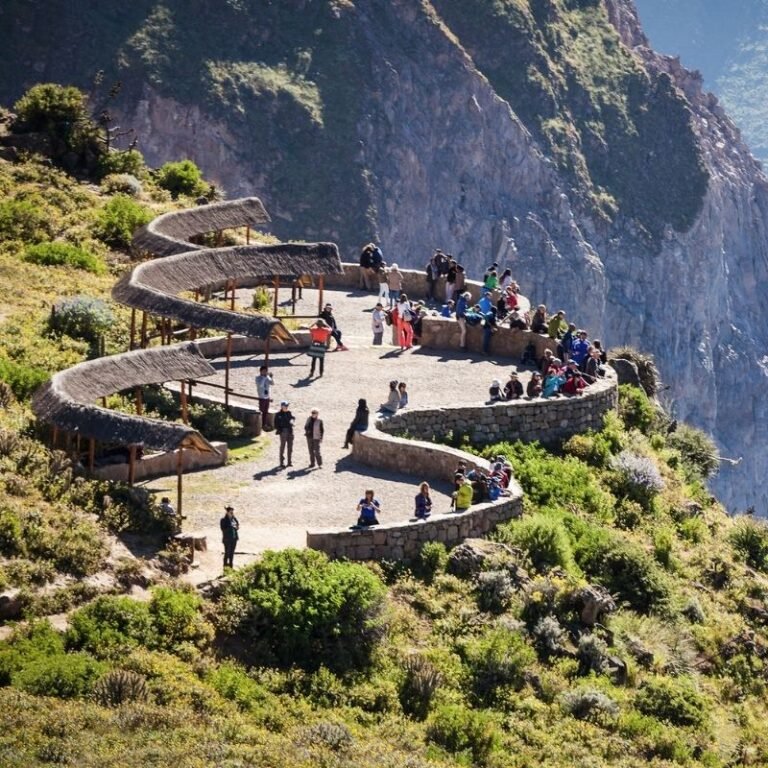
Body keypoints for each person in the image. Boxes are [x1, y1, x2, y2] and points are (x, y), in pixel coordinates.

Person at [273, 400, 295, 468]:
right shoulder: (278, 414)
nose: (286, 407)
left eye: (286, 406)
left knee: (290, 447)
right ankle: (281, 462)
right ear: (282, 406)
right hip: (283, 432)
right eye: (285, 406)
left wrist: (292, 421)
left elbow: (292, 418)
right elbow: (275, 424)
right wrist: (280, 430)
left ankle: (289, 462)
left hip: (290, 431)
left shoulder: (289, 413)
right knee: (282, 447)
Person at [220, 504, 239, 570]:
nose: (232, 513)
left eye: (232, 512)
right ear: (227, 512)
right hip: (227, 540)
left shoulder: (234, 519)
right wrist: (230, 526)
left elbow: (237, 526)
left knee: (232, 553)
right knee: (227, 553)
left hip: (234, 539)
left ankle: (231, 567)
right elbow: (223, 529)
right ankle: (225, 568)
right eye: (231, 512)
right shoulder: (223, 520)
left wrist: (236, 526)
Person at [255, 365, 274, 429]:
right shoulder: (258, 378)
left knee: (266, 412)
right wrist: (264, 378)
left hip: (267, 397)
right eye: (264, 371)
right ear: (260, 371)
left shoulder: (267, 377)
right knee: (261, 411)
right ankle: (259, 425)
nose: (265, 372)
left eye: (266, 371)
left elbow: (272, 383)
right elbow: (260, 385)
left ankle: (264, 424)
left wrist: (270, 377)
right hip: (262, 397)